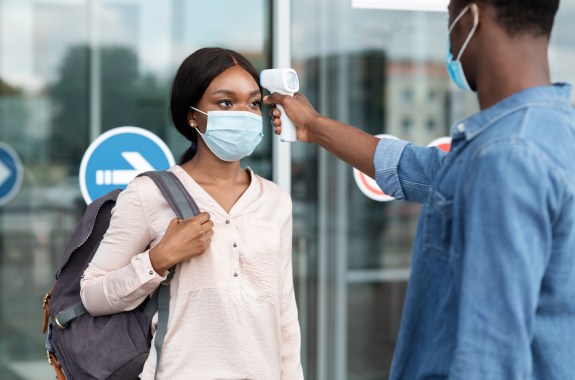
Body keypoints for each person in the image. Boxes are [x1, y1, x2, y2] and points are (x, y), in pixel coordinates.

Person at [265, 1, 575, 379]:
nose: (449, 36)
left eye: (450, 19)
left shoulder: (506, 156)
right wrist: (312, 125)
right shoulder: (549, 135)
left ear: (471, 18)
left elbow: (490, 354)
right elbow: (412, 167)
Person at [80, 47, 304, 380]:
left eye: (253, 103)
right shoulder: (149, 194)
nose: (243, 113)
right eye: (226, 102)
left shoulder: (275, 201)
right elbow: (92, 295)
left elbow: (284, 314)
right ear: (192, 115)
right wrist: (158, 260)